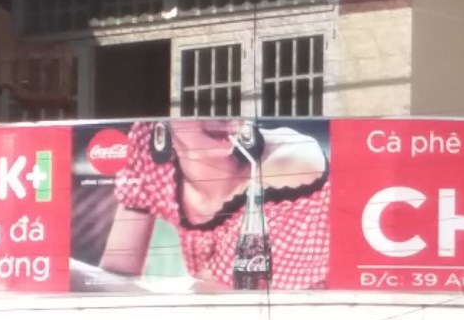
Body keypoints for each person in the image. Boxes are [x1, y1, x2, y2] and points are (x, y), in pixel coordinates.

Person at [88, 118, 330, 291]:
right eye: (197, 102)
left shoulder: (290, 165)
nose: (222, 115)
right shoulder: (148, 147)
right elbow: (115, 276)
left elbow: (205, 303)